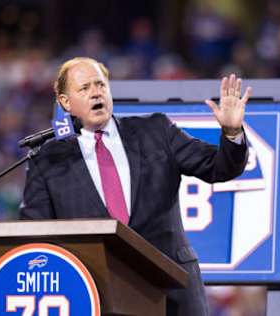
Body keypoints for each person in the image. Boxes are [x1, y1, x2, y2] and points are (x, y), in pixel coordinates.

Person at [20, 57, 252, 316]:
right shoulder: (49, 160)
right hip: (99, 296)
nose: (96, 92)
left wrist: (232, 133)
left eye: (100, 84)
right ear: (65, 102)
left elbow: (219, 167)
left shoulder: (155, 130)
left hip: (172, 290)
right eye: (84, 88)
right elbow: (35, 237)